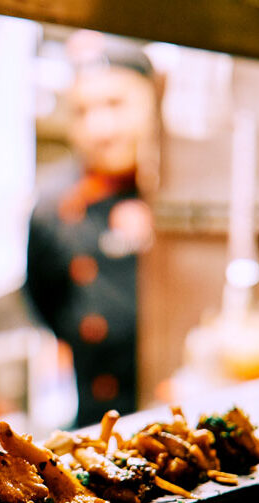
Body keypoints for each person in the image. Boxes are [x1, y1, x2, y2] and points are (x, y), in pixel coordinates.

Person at [25, 33, 161, 428]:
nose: (100, 127)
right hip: (97, 422)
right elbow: (45, 301)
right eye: (82, 111)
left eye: (116, 104)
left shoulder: (185, 198)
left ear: (154, 102)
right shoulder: (53, 205)